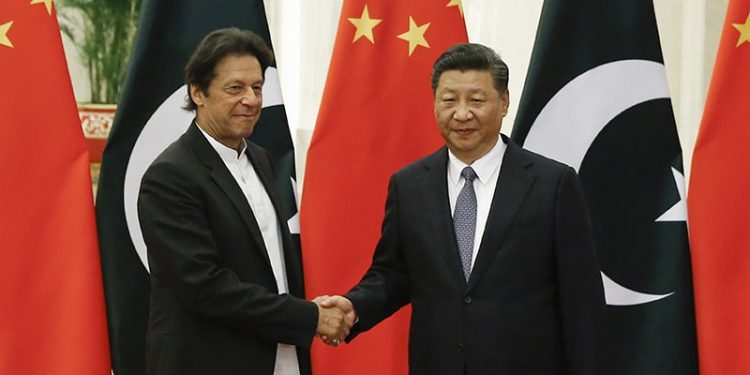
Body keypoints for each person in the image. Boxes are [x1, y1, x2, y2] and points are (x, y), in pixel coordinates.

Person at [319, 43, 605, 374]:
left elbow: (582, 302)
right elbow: (393, 272)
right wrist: (355, 306)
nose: (462, 113)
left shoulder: (552, 184)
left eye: (476, 100)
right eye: (449, 100)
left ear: (504, 102)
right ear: (435, 104)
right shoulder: (409, 185)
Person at [137, 28, 352, 375]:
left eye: (257, 87)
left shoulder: (261, 159)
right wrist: (309, 317)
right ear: (198, 93)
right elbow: (205, 287)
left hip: (281, 357)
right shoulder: (170, 176)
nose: (251, 100)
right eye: (235, 88)